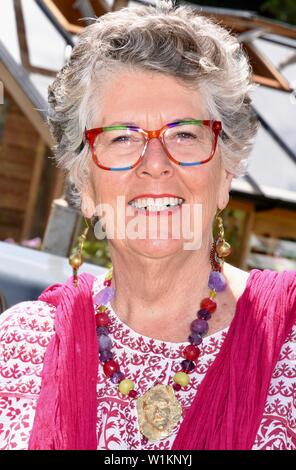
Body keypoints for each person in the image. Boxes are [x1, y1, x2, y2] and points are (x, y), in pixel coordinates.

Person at [0, 1, 295, 451]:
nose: (155, 164)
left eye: (185, 134)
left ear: (226, 173)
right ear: (87, 183)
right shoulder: (20, 346)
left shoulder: (289, 341)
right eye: (122, 137)